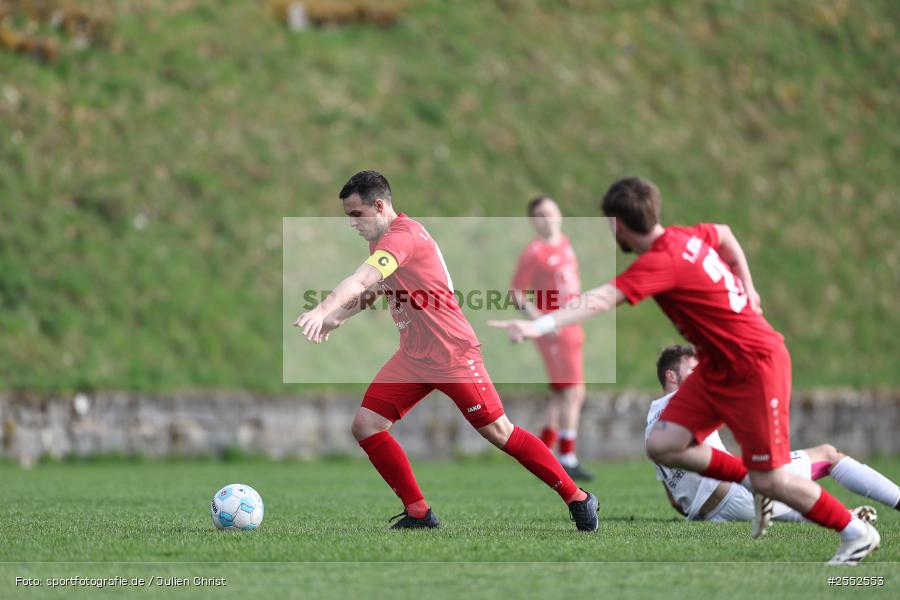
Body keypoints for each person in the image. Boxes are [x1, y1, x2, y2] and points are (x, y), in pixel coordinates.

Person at [489, 176, 881, 564]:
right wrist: (748, 284)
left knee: (773, 480)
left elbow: (601, 299)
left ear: (617, 225)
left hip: (755, 365)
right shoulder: (683, 238)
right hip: (717, 367)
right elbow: (725, 234)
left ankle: (854, 531)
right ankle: (750, 479)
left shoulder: (661, 261)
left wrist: (536, 325)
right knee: (662, 445)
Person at [293, 170, 598, 531]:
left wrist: (321, 309)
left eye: (356, 215)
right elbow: (374, 290)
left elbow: (361, 279)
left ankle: (578, 497)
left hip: (453, 354)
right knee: (367, 425)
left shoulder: (403, 237)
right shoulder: (382, 241)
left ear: (379, 205)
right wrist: (339, 318)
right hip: (414, 357)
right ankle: (419, 512)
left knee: (500, 432)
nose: (352, 224)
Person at [648, 344, 900, 523]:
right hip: (736, 496)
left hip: (710, 516)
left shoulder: (651, 426)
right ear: (671, 375)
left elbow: (673, 499)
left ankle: (848, 517)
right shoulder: (687, 399)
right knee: (828, 454)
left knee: (790, 498)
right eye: (694, 370)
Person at [510, 196, 591, 480]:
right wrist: (541, 322)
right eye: (541, 215)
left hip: (572, 325)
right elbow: (516, 293)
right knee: (572, 392)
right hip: (555, 330)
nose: (549, 218)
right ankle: (566, 458)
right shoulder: (535, 253)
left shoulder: (565, 243)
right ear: (534, 221)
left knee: (564, 393)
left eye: (552, 212)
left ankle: (543, 453)